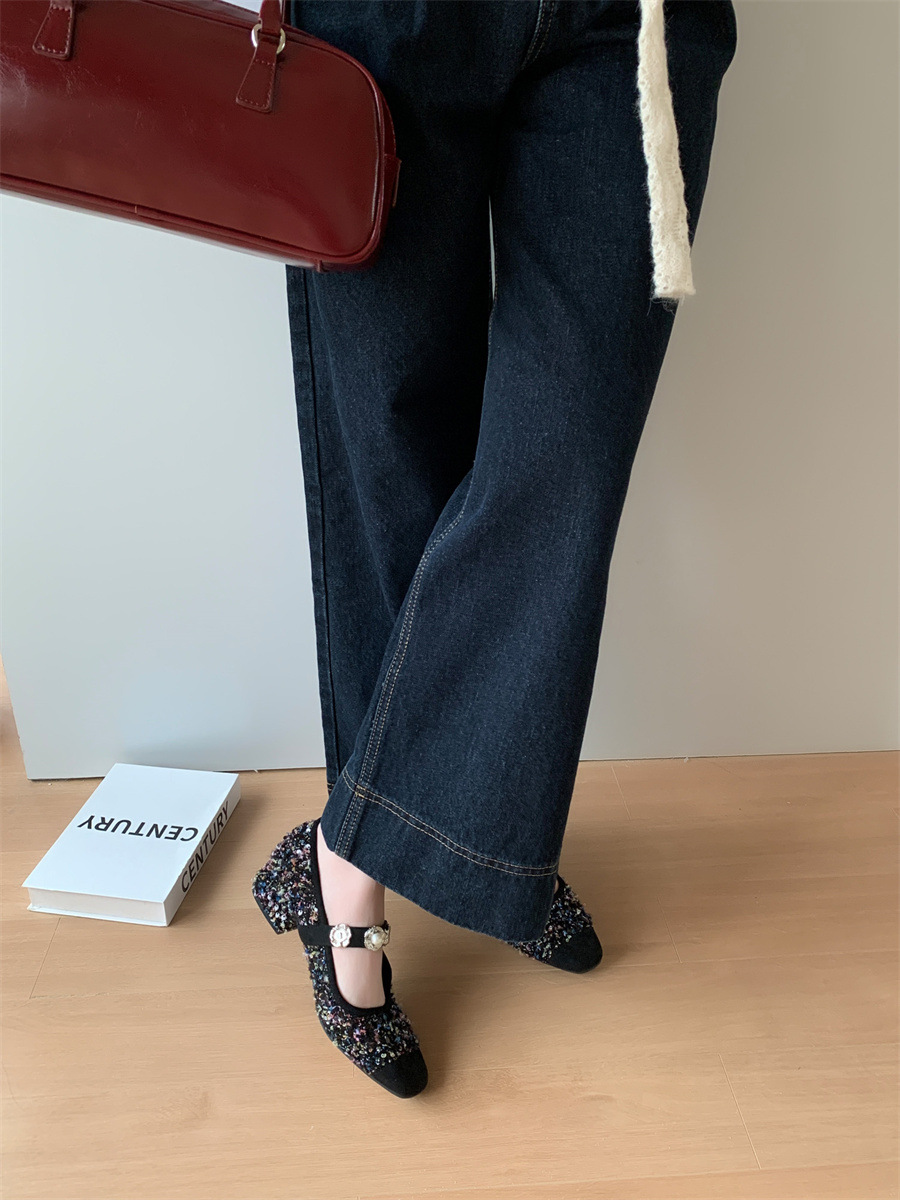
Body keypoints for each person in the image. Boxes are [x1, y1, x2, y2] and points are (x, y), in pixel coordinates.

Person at [252, 0, 738, 1098]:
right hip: (381, 20)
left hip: (632, 23)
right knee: (391, 443)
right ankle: (441, 855)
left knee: (568, 442)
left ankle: (356, 849)